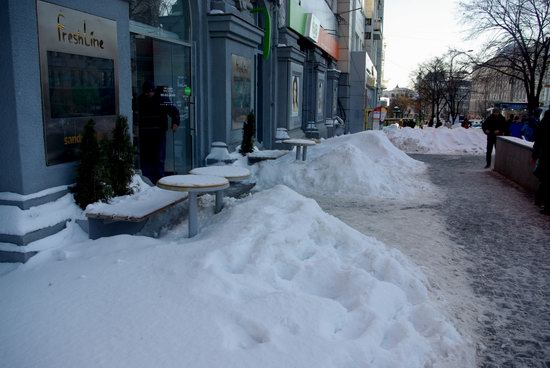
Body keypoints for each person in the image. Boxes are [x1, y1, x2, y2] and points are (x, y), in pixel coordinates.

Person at [135, 81, 180, 184]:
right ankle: (146, 181)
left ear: (153, 91)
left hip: (158, 134)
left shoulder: (161, 100)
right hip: (145, 134)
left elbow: (174, 111)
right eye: (146, 92)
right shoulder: (140, 100)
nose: (148, 95)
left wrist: (175, 123)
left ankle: (159, 180)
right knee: (146, 158)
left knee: (158, 158)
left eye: (149, 92)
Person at [532, 109, 550, 215]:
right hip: (546, 155)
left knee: (546, 181)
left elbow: (538, 141)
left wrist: (535, 154)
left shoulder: (544, 122)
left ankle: (541, 201)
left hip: (545, 155)